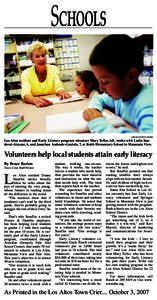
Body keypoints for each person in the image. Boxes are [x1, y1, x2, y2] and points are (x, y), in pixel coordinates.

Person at [83, 34, 153, 133]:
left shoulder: (148, 104)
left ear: (131, 77)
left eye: (104, 82)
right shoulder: (120, 95)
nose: (100, 88)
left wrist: (97, 122)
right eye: (98, 81)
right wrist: (94, 110)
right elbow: (98, 98)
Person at [21, 41, 71, 107]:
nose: (41, 59)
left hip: (54, 105)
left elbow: (58, 86)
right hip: (36, 107)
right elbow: (25, 94)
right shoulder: (26, 73)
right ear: (32, 59)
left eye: (43, 55)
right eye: (37, 56)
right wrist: (34, 100)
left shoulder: (53, 69)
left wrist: (62, 94)